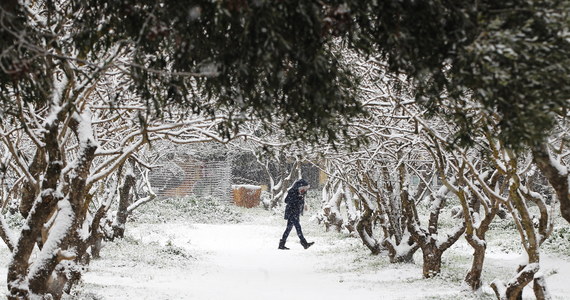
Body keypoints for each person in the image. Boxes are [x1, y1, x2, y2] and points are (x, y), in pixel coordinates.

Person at [278, 179, 314, 250]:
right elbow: (287, 200)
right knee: (298, 227)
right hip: (292, 213)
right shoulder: (293, 191)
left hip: (295, 213)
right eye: (304, 188)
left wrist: (303, 205)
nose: (305, 190)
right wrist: (297, 199)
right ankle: (304, 243)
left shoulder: (300, 192)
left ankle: (282, 244)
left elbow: (299, 202)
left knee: (288, 229)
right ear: (301, 187)